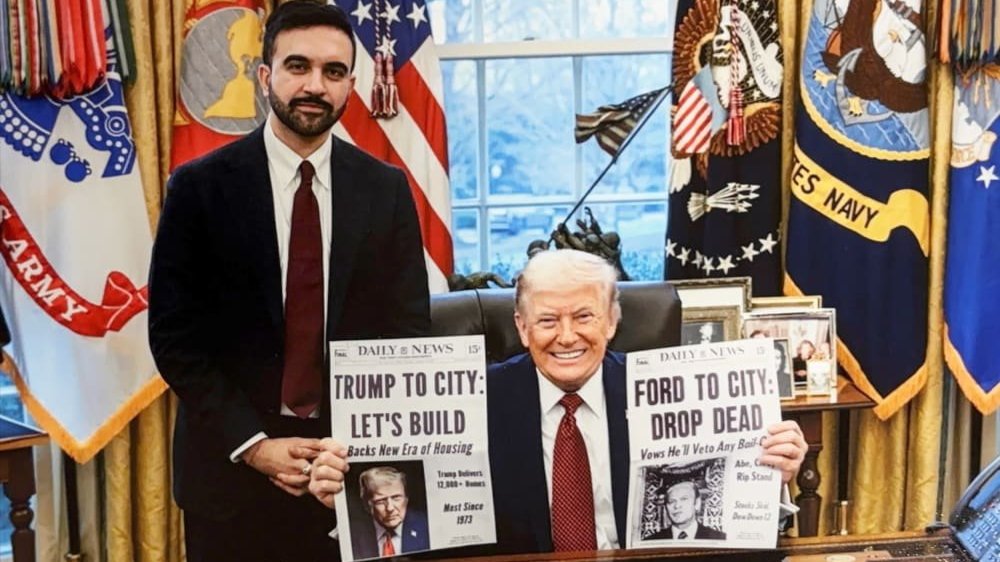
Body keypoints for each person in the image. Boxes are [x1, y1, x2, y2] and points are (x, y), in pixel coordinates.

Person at [147, 2, 430, 560]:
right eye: (297, 66)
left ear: (350, 84)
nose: (314, 86)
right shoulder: (198, 188)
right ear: (264, 75)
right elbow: (176, 339)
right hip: (229, 478)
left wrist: (347, 448)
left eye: (332, 72)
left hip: (347, 476)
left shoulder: (386, 189)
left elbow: (406, 331)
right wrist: (256, 447)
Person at [307, 250, 806, 556]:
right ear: (521, 327)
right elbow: (416, 536)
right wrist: (345, 496)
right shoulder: (470, 401)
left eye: (584, 316)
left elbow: (727, 537)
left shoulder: (670, 392)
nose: (567, 337)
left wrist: (770, 479)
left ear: (612, 321)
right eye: (547, 320)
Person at [352, 467, 430, 559]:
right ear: (367, 505)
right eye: (380, 501)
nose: (390, 508)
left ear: (406, 499)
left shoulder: (427, 527)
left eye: (396, 497)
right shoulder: (352, 535)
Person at [645, 479, 726, 540]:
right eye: (671, 501)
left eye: (684, 499)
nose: (677, 506)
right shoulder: (652, 541)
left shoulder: (719, 539)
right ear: (666, 507)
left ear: (697, 503)